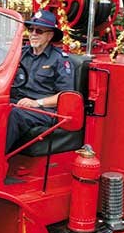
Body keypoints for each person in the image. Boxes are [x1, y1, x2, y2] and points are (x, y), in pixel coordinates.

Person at [5, 10, 74, 154]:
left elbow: (66, 95)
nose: (33, 34)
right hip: (18, 102)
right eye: (31, 29)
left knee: (15, 114)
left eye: (39, 31)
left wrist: (37, 103)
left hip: (44, 110)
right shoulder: (20, 53)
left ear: (50, 35)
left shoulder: (60, 59)